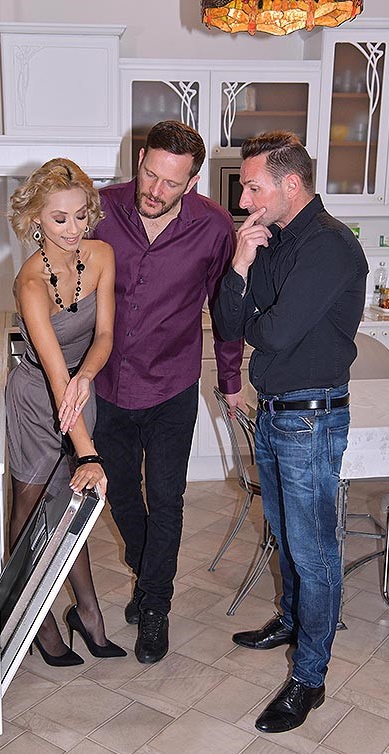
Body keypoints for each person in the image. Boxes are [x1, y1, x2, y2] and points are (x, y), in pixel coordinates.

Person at [214, 131, 368, 733]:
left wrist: (257, 317)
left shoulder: (329, 246)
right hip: (276, 411)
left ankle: (310, 677)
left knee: (314, 552)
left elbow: (273, 334)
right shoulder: (269, 241)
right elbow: (230, 323)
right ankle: (292, 619)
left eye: (253, 187)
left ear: (291, 184)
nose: (244, 200)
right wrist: (239, 264)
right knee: (283, 535)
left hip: (311, 418)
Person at [92, 120, 244, 664]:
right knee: (119, 495)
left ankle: (155, 604)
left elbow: (226, 307)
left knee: (167, 499)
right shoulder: (100, 210)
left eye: (171, 183)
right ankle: (148, 570)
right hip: (107, 382)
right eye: (150, 175)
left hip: (172, 384)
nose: (155, 191)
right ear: (140, 160)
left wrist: (230, 378)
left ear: (192, 182)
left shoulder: (214, 227)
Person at [6, 157, 126, 666]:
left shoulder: (101, 255)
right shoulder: (30, 283)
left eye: (81, 215)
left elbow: (105, 336)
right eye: (59, 218)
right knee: (29, 511)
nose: (74, 229)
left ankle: (89, 612)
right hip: (39, 398)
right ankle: (36, 619)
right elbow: (56, 379)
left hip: (80, 391)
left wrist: (86, 378)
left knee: (72, 510)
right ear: (35, 217)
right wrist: (88, 455)